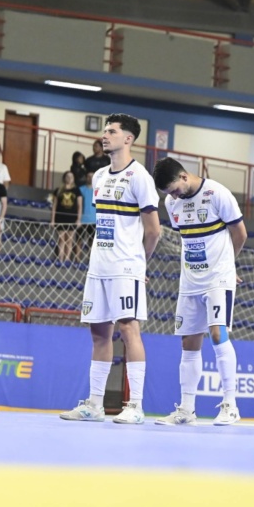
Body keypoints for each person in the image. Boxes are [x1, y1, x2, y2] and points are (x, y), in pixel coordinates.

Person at [60, 114, 161, 425]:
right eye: (105, 130)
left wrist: (139, 262)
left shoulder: (139, 177)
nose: (105, 135)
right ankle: (94, 405)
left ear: (128, 139)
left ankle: (135, 406)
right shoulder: (99, 176)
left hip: (125, 266)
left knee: (129, 329)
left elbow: (153, 230)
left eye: (112, 131)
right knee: (99, 333)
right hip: (98, 265)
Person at [152, 157, 248, 427]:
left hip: (218, 277)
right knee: (188, 343)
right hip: (190, 280)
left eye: (174, 189)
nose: (173, 196)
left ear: (184, 177)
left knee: (217, 334)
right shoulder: (172, 203)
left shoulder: (217, 194)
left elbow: (239, 233)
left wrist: (229, 265)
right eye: (168, 193)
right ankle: (186, 410)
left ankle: (231, 405)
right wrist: (172, 197)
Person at [50, 171, 83, 264]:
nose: (69, 178)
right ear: (64, 178)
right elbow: (54, 205)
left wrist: (78, 219)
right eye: (67, 176)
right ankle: (60, 258)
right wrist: (52, 220)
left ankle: (67, 259)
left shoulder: (77, 190)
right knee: (61, 239)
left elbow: (80, 206)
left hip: (72, 218)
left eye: (71, 176)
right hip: (60, 217)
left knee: (69, 239)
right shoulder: (58, 190)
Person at [77, 171, 96, 258]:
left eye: (92, 176)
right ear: (86, 177)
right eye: (88, 176)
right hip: (82, 220)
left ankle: (90, 260)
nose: (90, 178)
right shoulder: (80, 189)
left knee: (91, 242)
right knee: (79, 240)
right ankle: (77, 259)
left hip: (94, 221)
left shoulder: (98, 190)